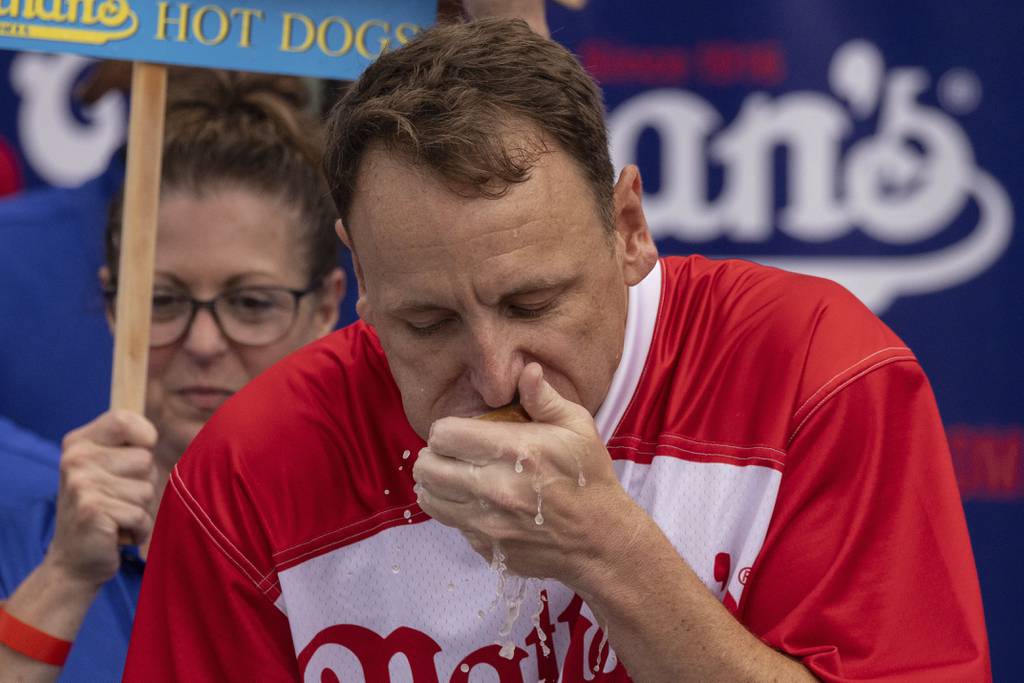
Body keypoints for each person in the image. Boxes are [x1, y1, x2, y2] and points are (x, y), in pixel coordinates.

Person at [124, 19, 990, 682]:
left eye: (533, 302)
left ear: (628, 229)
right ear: (359, 276)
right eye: (427, 323)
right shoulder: (249, 474)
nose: (496, 371)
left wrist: (611, 553)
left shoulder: (813, 371)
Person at [0, 70, 345, 681]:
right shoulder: (24, 534)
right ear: (113, 304)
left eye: (252, 304)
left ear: (324, 307)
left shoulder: (383, 542)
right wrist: (64, 577)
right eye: (162, 301)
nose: (205, 343)